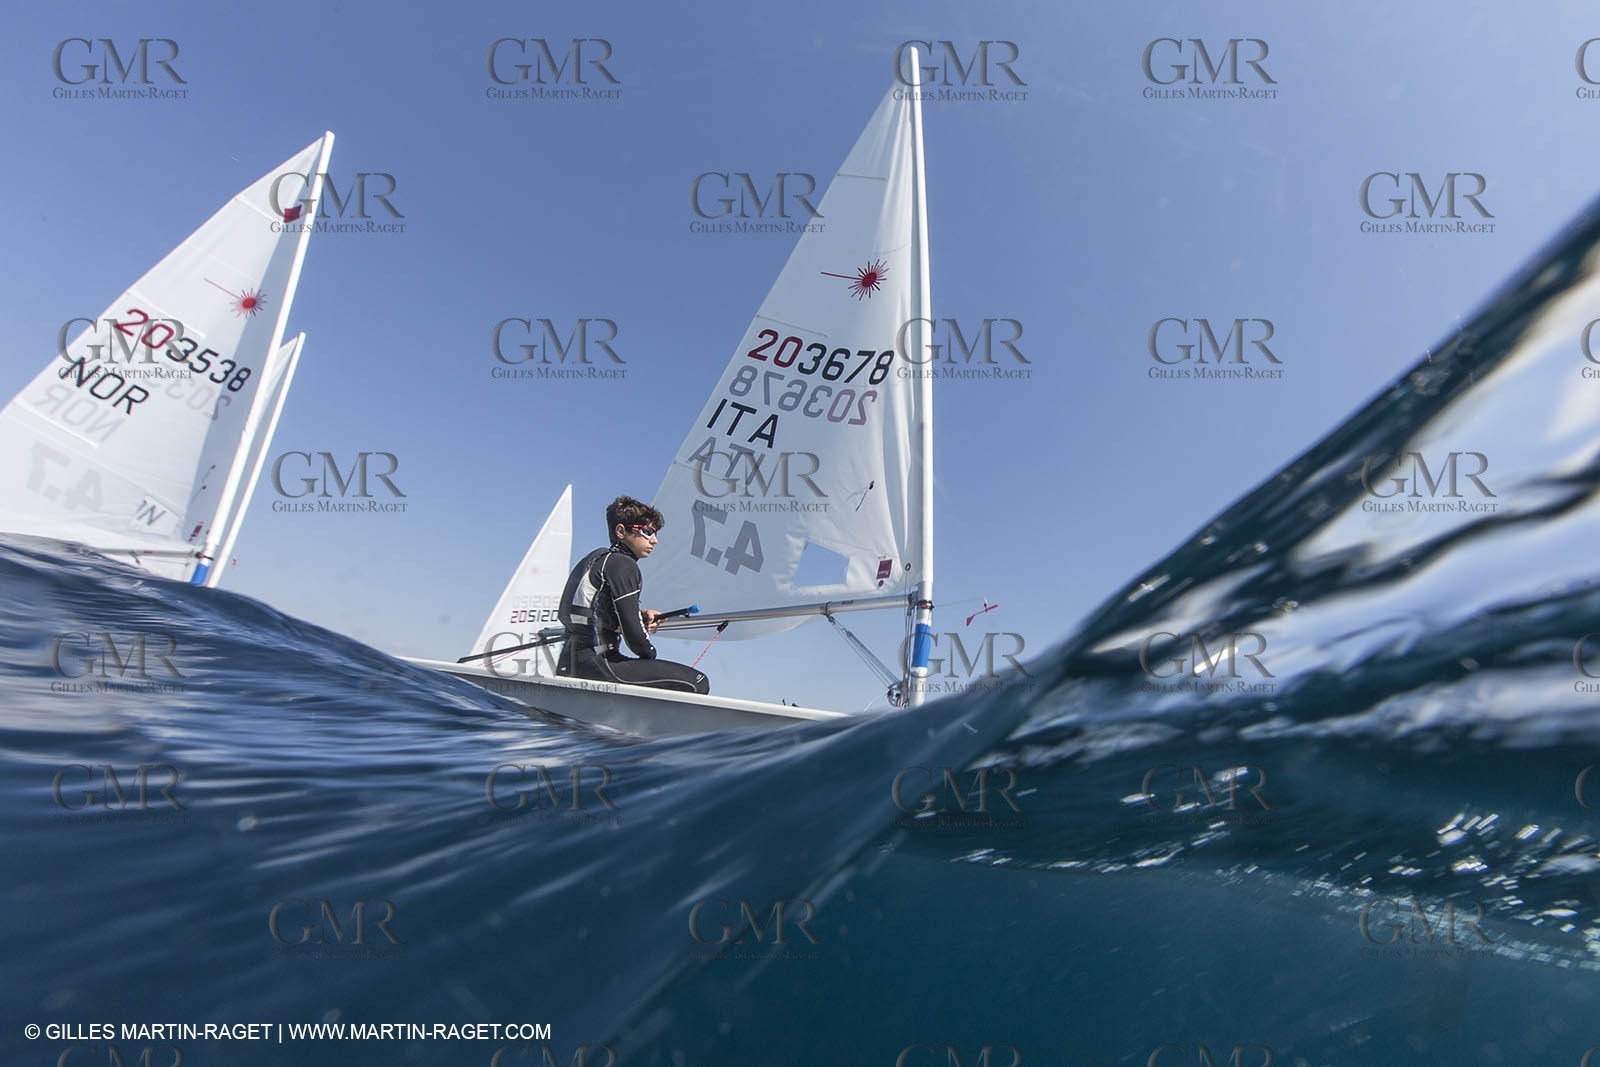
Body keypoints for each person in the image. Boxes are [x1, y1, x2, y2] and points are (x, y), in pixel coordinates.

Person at [555, 495, 710, 694]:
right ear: (621, 531)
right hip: (599, 665)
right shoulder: (623, 564)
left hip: (570, 664)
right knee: (697, 682)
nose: (655, 540)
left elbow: (594, 613)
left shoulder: (598, 559)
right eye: (647, 532)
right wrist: (650, 652)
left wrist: (640, 615)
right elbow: (636, 641)